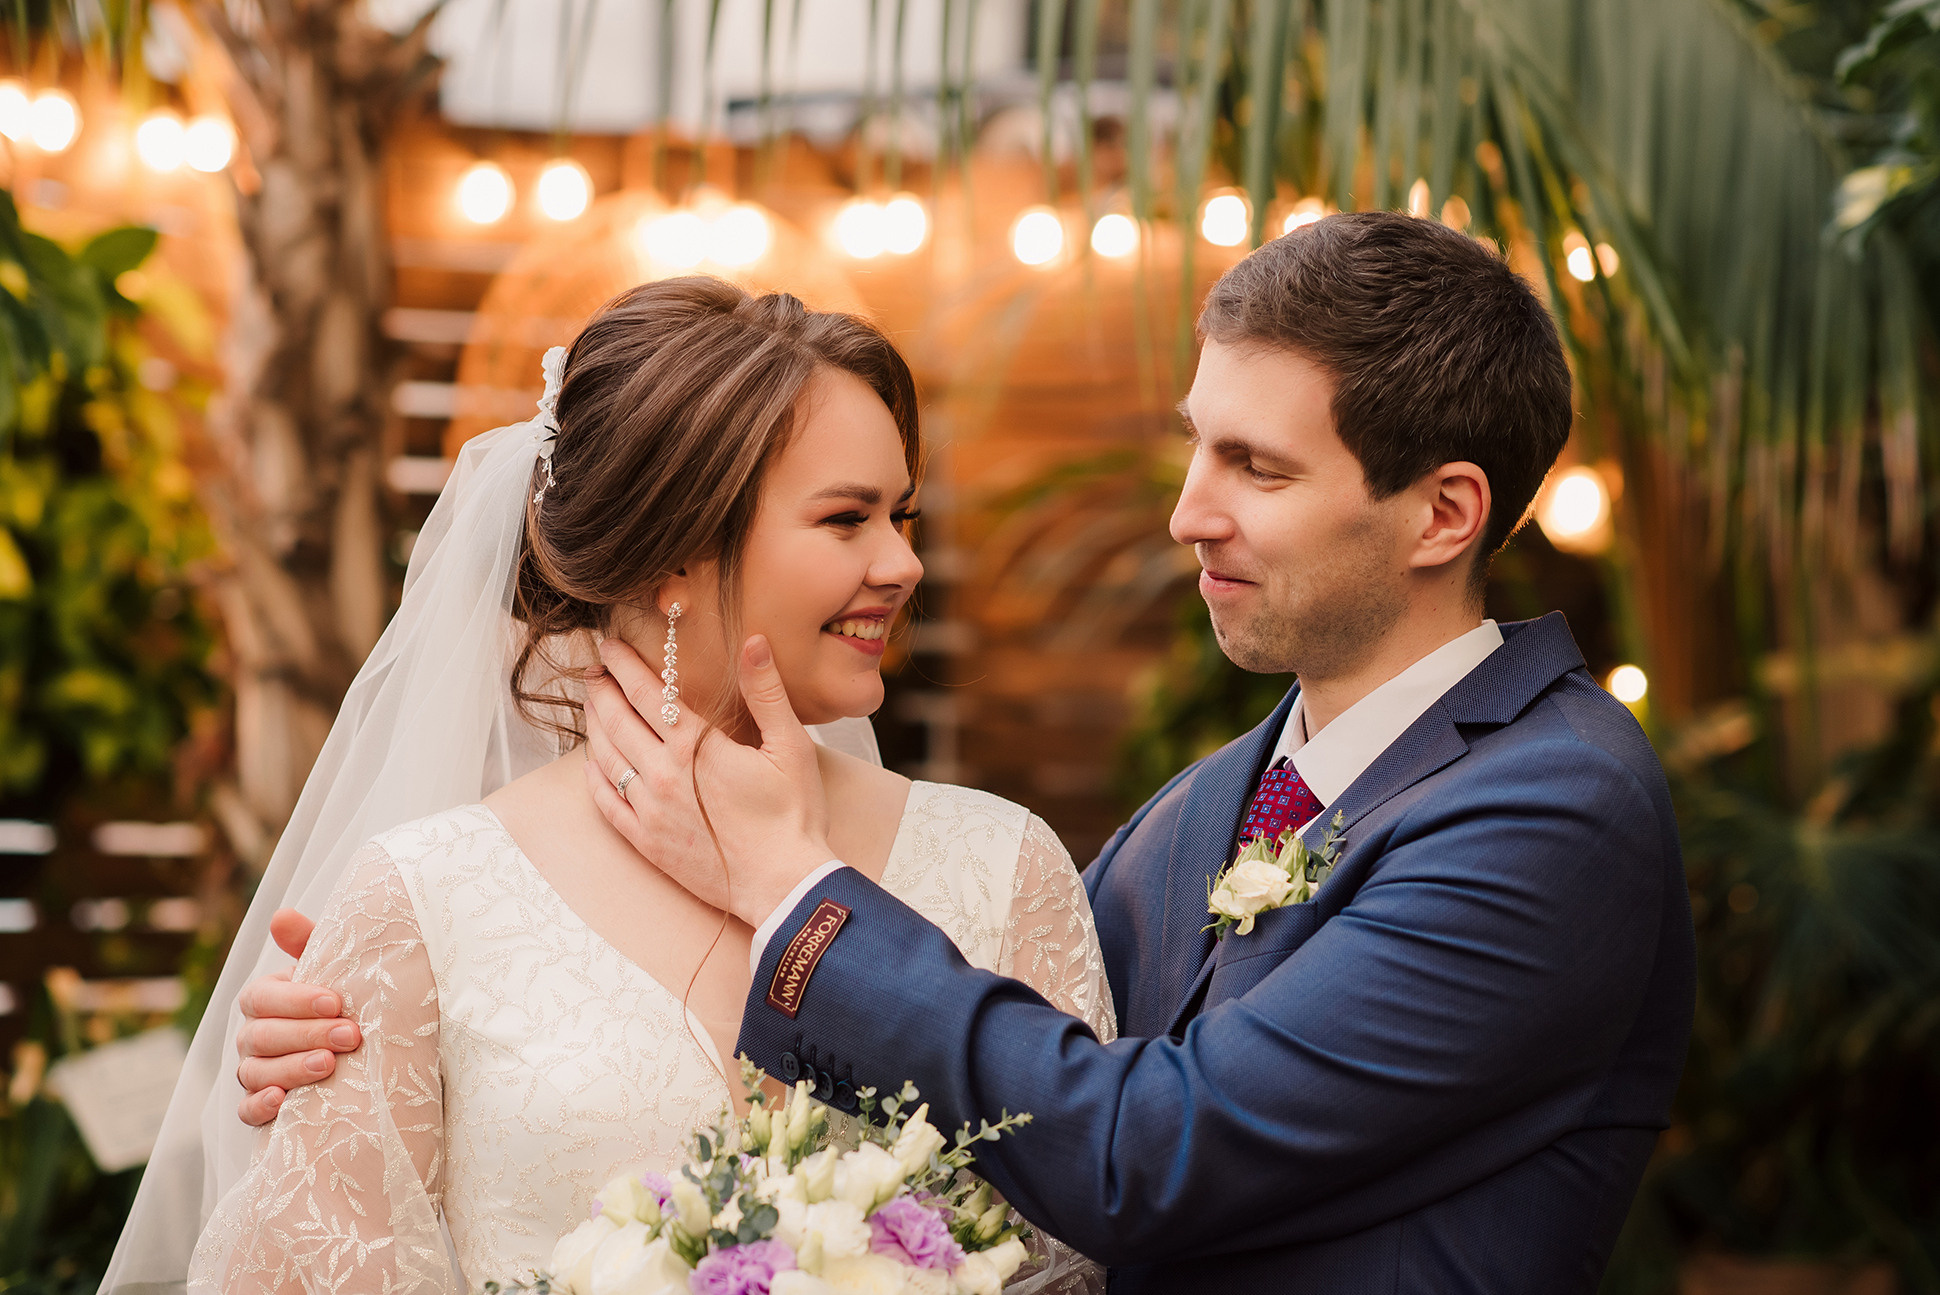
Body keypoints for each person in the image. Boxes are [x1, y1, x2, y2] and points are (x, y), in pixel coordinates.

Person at [238, 212, 1696, 1293]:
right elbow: (1022, 1045)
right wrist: (339, 1034)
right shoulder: (1204, 806)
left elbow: (1139, 1147)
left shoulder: (1550, 810)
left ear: (1443, 513)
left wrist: (789, 883)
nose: (1186, 511)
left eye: (1254, 466)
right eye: (1198, 445)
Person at [104, 279, 1113, 1294]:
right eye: (847, 518)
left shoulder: (1005, 867)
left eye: (901, 515)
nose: (903, 562)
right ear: (675, 557)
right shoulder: (425, 897)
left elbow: (1088, 1245)